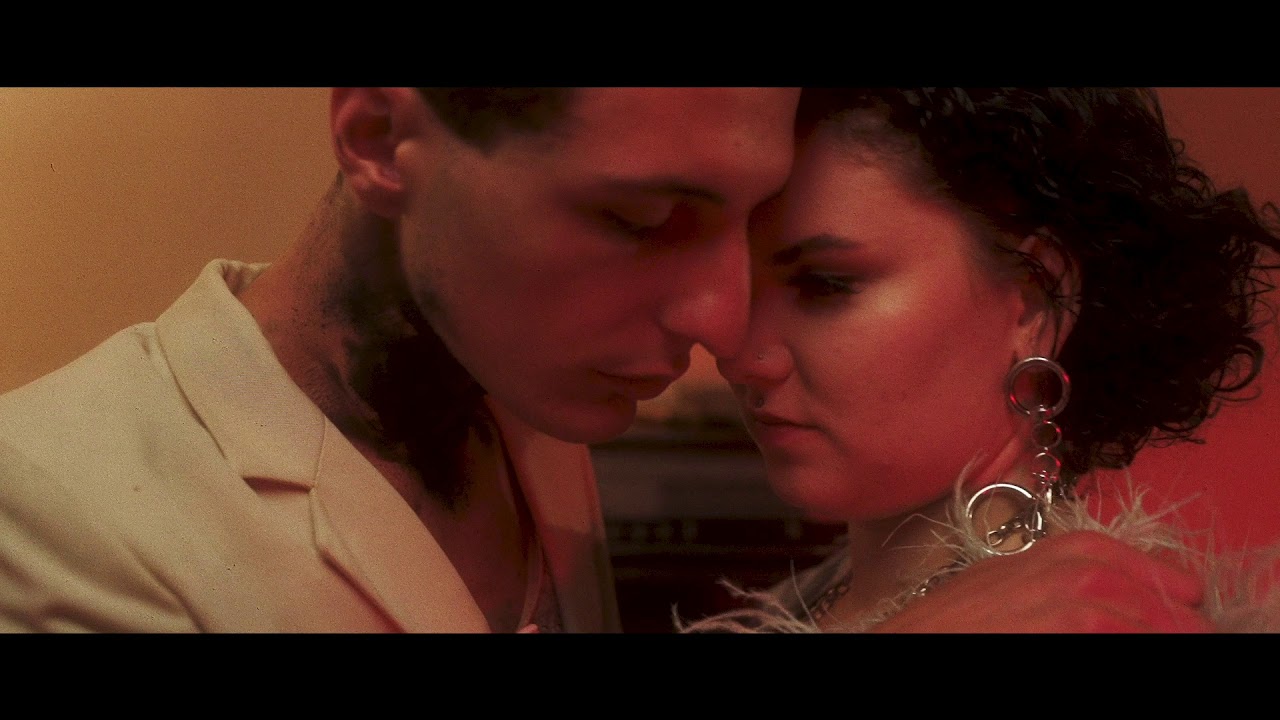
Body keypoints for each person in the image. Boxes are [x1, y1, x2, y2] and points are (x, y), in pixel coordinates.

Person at [0, 87, 1220, 633]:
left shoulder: (532, 403)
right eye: (641, 219)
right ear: (376, 136)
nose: (721, 325)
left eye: (754, 236)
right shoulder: (48, 508)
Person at [679, 87, 1280, 633]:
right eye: (742, 287)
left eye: (824, 284)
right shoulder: (800, 601)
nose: (742, 356)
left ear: (1034, 301)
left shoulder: (1104, 620)